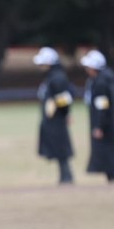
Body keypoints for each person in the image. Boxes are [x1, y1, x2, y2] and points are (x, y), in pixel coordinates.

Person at [33, 47, 75, 184]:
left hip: (57, 119)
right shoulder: (51, 77)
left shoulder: (57, 78)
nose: (40, 66)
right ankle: (64, 177)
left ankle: (67, 177)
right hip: (52, 120)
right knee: (57, 148)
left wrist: (64, 112)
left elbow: (65, 98)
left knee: (61, 148)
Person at [80, 50, 114, 183]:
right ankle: (110, 176)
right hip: (106, 122)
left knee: (107, 149)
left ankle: (111, 177)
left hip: (104, 123)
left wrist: (99, 125)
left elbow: (102, 106)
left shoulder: (101, 84)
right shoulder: (100, 81)